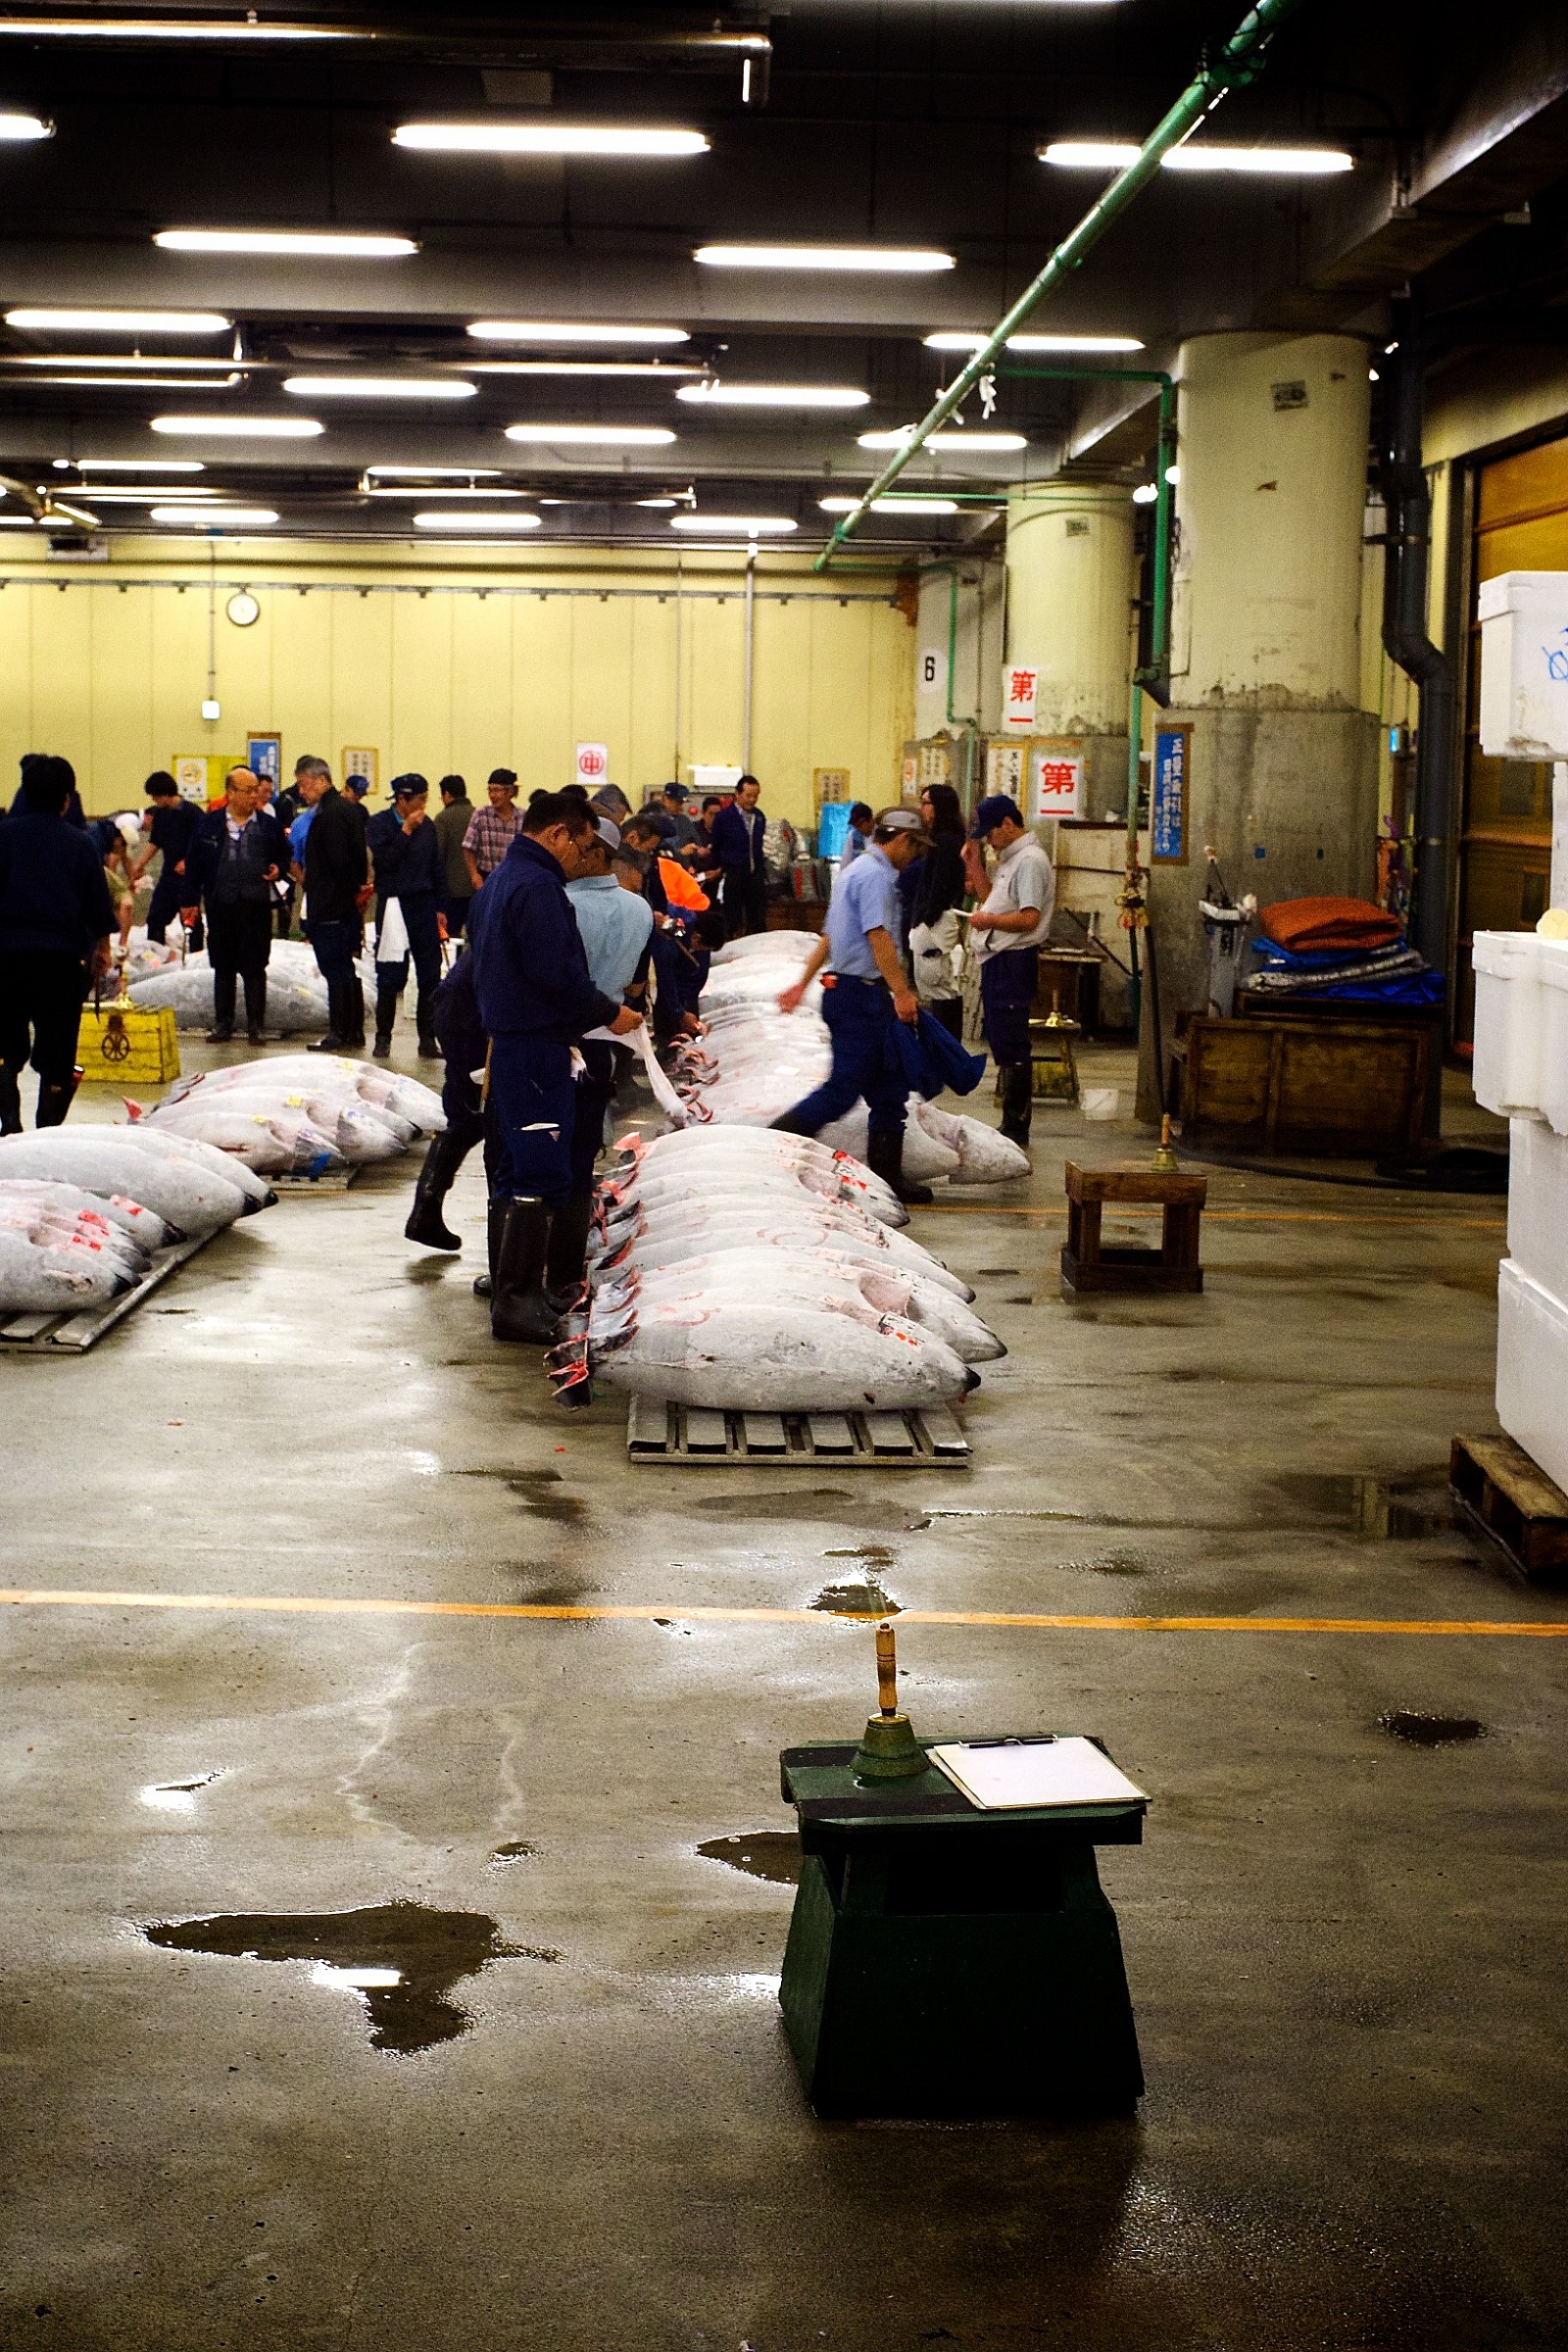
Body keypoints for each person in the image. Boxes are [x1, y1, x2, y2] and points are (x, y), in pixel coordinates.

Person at [466, 791, 643, 1346]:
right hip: (537, 1049)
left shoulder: (498, 881)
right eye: (583, 844)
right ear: (560, 834)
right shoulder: (539, 888)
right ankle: (517, 1303)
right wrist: (609, 1012)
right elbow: (557, 975)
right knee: (540, 1173)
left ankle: (516, 1290)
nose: (582, 858)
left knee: (519, 1166)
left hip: (513, 1043)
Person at [769, 807, 935, 1204]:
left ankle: (887, 1179)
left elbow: (829, 936)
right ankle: (769, 1149)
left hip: (856, 991)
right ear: (902, 840)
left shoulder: (854, 872)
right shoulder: (875, 876)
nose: (914, 857)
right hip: (861, 996)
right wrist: (902, 992)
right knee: (843, 1090)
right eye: (915, 848)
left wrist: (801, 984)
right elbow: (878, 938)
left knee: (889, 1089)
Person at [555, 817, 655, 1304]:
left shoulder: (560, 904)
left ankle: (535, 1270)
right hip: (604, 1048)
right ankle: (571, 1266)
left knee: (539, 1154)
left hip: (557, 1043)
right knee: (582, 1155)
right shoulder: (640, 911)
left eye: (578, 845)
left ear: (598, 854)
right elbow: (636, 988)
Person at [0, 755, 114, 1132]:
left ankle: (9, 1123)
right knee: (58, 1052)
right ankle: (46, 1133)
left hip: (6, 958)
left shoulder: (3, 836)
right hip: (60, 962)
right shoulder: (80, 843)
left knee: (3, 1047)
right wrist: (103, 949)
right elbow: (98, 904)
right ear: (67, 799)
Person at [963, 793, 1055, 1149]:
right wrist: (974, 865)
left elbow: (1028, 918)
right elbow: (992, 900)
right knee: (1002, 1038)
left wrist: (989, 921)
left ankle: (1017, 1126)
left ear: (1008, 823)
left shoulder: (1030, 861)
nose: (988, 840)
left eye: (991, 832)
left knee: (1013, 1043)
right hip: (999, 958)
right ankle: (1010, 1121)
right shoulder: (1011, 859)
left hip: (1013, 961)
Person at [178, 767, 285, 1045]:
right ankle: (223, 1023)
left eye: (256, 790)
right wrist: (188, 901)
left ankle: (255, 1026)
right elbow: (194, 865)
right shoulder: (208, 824)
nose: (254, 796)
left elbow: (284, 857)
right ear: (230, 793)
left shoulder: (268, 825)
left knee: (255, 966)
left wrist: (278, 869)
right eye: (248, 790)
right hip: (221, 905)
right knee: (223, 966)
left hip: (256, 906)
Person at [368, 773, 445, 1059]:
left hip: (423, 903)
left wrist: (441, 908)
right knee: (389, 975)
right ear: (402, 800)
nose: (423, 806)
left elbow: (437, 866)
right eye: (419, 800)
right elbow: (385, 862)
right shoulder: (379, 824)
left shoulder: (430, 827)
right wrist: (406, 831)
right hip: (394, 906)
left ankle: (427, 1039)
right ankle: (383, 1037)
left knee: (429, 974)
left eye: (426, 799)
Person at [296, 758, 370, 1053]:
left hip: (331, 906)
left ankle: (340, 1032)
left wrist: (335, 898)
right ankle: (352, 1032)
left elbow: (341, 863)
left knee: (335, 968)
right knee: (344, 968)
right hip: (341, 905)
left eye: (304, 784)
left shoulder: (330, 815)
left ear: (320, 781)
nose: (301, 791)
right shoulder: (344, 810)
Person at [907, 780, 969, 1041]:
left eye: (926, 803)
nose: (922, 809)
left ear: (939, 806)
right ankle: (944, 1045)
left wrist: (925, 920)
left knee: (936, 985)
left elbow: (939, 885)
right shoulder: (942, 839)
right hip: (937, 919)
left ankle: (944, 1045)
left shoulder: (945, 841)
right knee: (938, 985)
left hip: (937, 920)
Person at [130, 771, 201, 947]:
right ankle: (155, 953)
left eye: (155, 796)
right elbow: (155, 842)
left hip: (189, 877)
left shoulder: (192, 813)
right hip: (169, 873)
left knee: (190, 919)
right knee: (155, 917)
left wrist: (188, 860)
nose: (154, 800)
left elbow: (202, 843)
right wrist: (139, 864)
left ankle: (196, 956)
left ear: (165, 793)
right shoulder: (161, 814)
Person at [710, 772, 768, 939]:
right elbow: (716, 846)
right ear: (737, 794)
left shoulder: (759, 816)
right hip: (733, 873)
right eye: (748, 795)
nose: (752, 800)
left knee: (757, 918)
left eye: (755, 796)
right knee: (732, 918)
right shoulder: (724, 818)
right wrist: (719, 869)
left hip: (755, 874)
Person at [463, 767, 522, 893]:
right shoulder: (481, 814)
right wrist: (474, 874)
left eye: (496, 790)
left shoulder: (523, 817)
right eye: (489, 790)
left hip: (514, 880)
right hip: (487, 879)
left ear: (510, 792)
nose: (492, 795)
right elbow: (468, 847)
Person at [433, 773, 474, 940]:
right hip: (477, 887)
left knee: (452, 936)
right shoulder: (478, 814)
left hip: (452, 890)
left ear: (447, 794)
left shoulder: (443, 818)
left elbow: (437, 854)